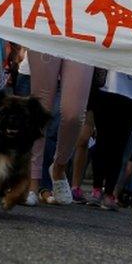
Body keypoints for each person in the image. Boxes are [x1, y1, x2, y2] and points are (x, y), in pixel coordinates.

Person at [26, 52, 93, 206]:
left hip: (83, 37)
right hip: (47, 32)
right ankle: (32, 182)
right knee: (40, 108)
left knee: (74, 115)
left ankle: (59, 167)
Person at [85, 71, 132, 210]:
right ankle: (97, 189)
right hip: (107, 88)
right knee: (102, 141)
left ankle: (109, 192)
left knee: (119, 146)